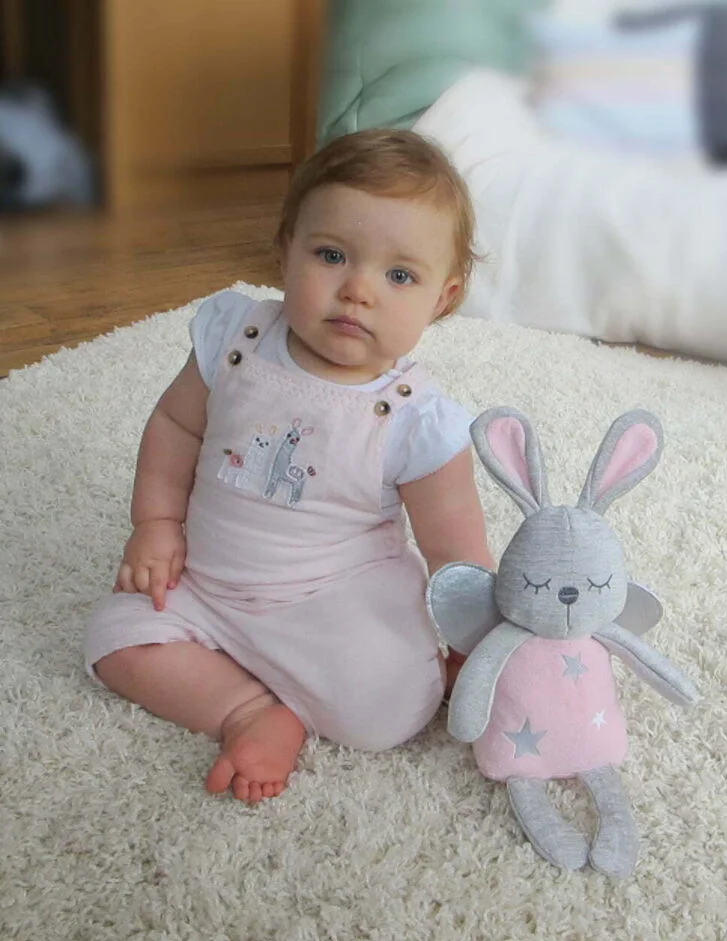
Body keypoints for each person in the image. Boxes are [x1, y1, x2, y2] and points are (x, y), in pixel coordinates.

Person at [84, 128, 494, 804]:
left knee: (390, 710)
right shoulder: (235, 340)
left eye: (399, 276)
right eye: (331, 255)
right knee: (112, 638)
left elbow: (457, 555)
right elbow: (176, 425)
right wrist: (156, 523)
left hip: (329, 598)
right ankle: (245, 709)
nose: (358, 290)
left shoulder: (417, 420)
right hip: (207, 584)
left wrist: (466, 646)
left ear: (442, 299)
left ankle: (315, 684)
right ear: (284, 251)